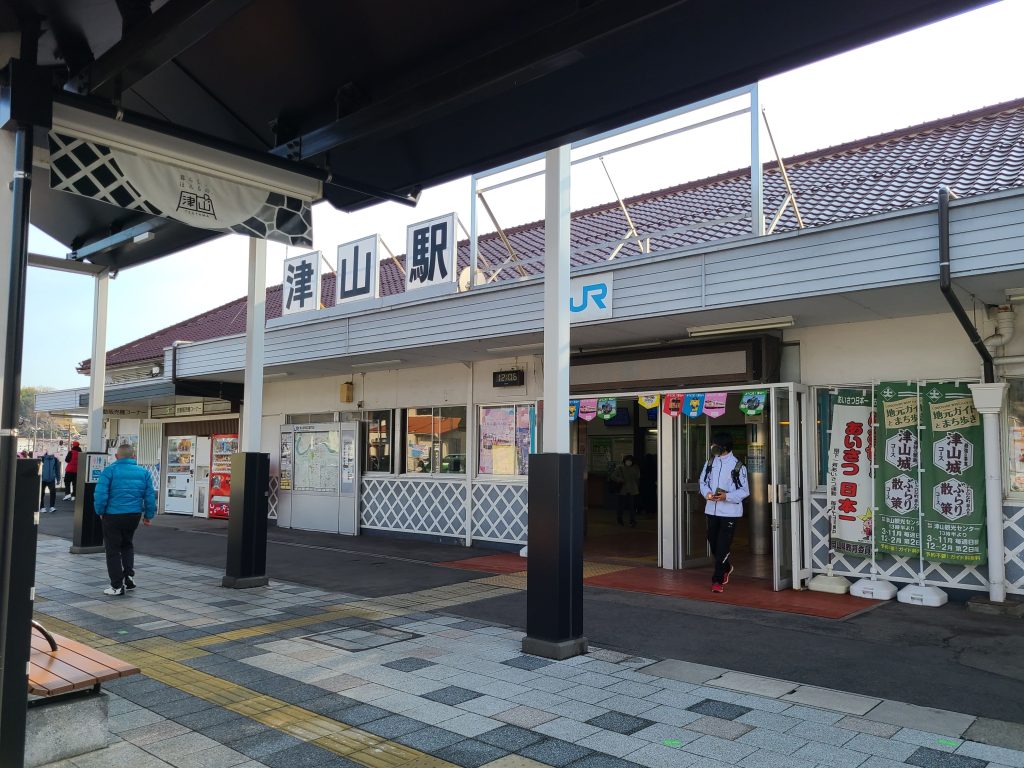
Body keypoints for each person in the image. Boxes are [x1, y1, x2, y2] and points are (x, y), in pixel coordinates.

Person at [94, 444, 156, 596]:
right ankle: (128, 576)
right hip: (133, 515)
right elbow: (150, 496)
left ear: (116, 456)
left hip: (113, 515)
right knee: (127, 545)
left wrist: (100, 511)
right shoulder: (144, 473)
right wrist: (148, 516)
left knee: (113, 550)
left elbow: (100, 494)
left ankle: (116, 586)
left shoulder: (109, 471)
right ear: (134, 456)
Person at [698, 432, 749, 593]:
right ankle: (726, 566)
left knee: (722, 546)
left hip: (730, 512)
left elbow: (744, 491)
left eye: (715, 444)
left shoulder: (738, 466)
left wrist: (727, 496)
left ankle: (717, 580)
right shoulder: (710, 462)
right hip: (711, 509)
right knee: (712, 540)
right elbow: (702, 481)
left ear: (724, 446)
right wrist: (707, 493)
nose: (712, 447)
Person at [611, 454, 641, 527]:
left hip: (632, 490)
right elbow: (613, 476)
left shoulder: (635, 468)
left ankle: (632, 520)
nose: (628, 462)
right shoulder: (620, 468)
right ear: (624, 461)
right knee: (621, 506)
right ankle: (620, 519)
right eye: (627, 460)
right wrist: (620, 480)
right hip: (623, 490)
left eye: (630, 461)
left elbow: (638, 477)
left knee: (632, 506)